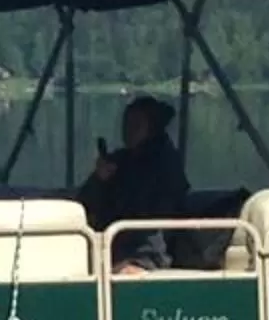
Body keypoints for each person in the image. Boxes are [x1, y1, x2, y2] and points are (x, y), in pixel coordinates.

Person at [78, 94, 188, 266]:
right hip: (111, 245)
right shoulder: (120, 160)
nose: (128, 130)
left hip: (145, 252)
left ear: (152, 128)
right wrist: (98, 179)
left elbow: (158, 216)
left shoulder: (164, 164)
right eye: (126, 124)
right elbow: (84, 203)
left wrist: (141, 260)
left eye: (136, 125)